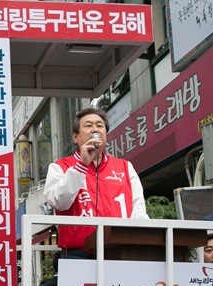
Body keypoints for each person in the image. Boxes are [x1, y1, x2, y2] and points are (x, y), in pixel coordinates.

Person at [44, 107, 148, 258]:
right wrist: (81, 165)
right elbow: (58, 202)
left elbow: (138, 209)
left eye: (100, 126)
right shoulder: (60, 167)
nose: (95, 129)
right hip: (78, 254)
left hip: (120, 250)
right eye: (88, 125)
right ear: (75, 137)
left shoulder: (125, 167)